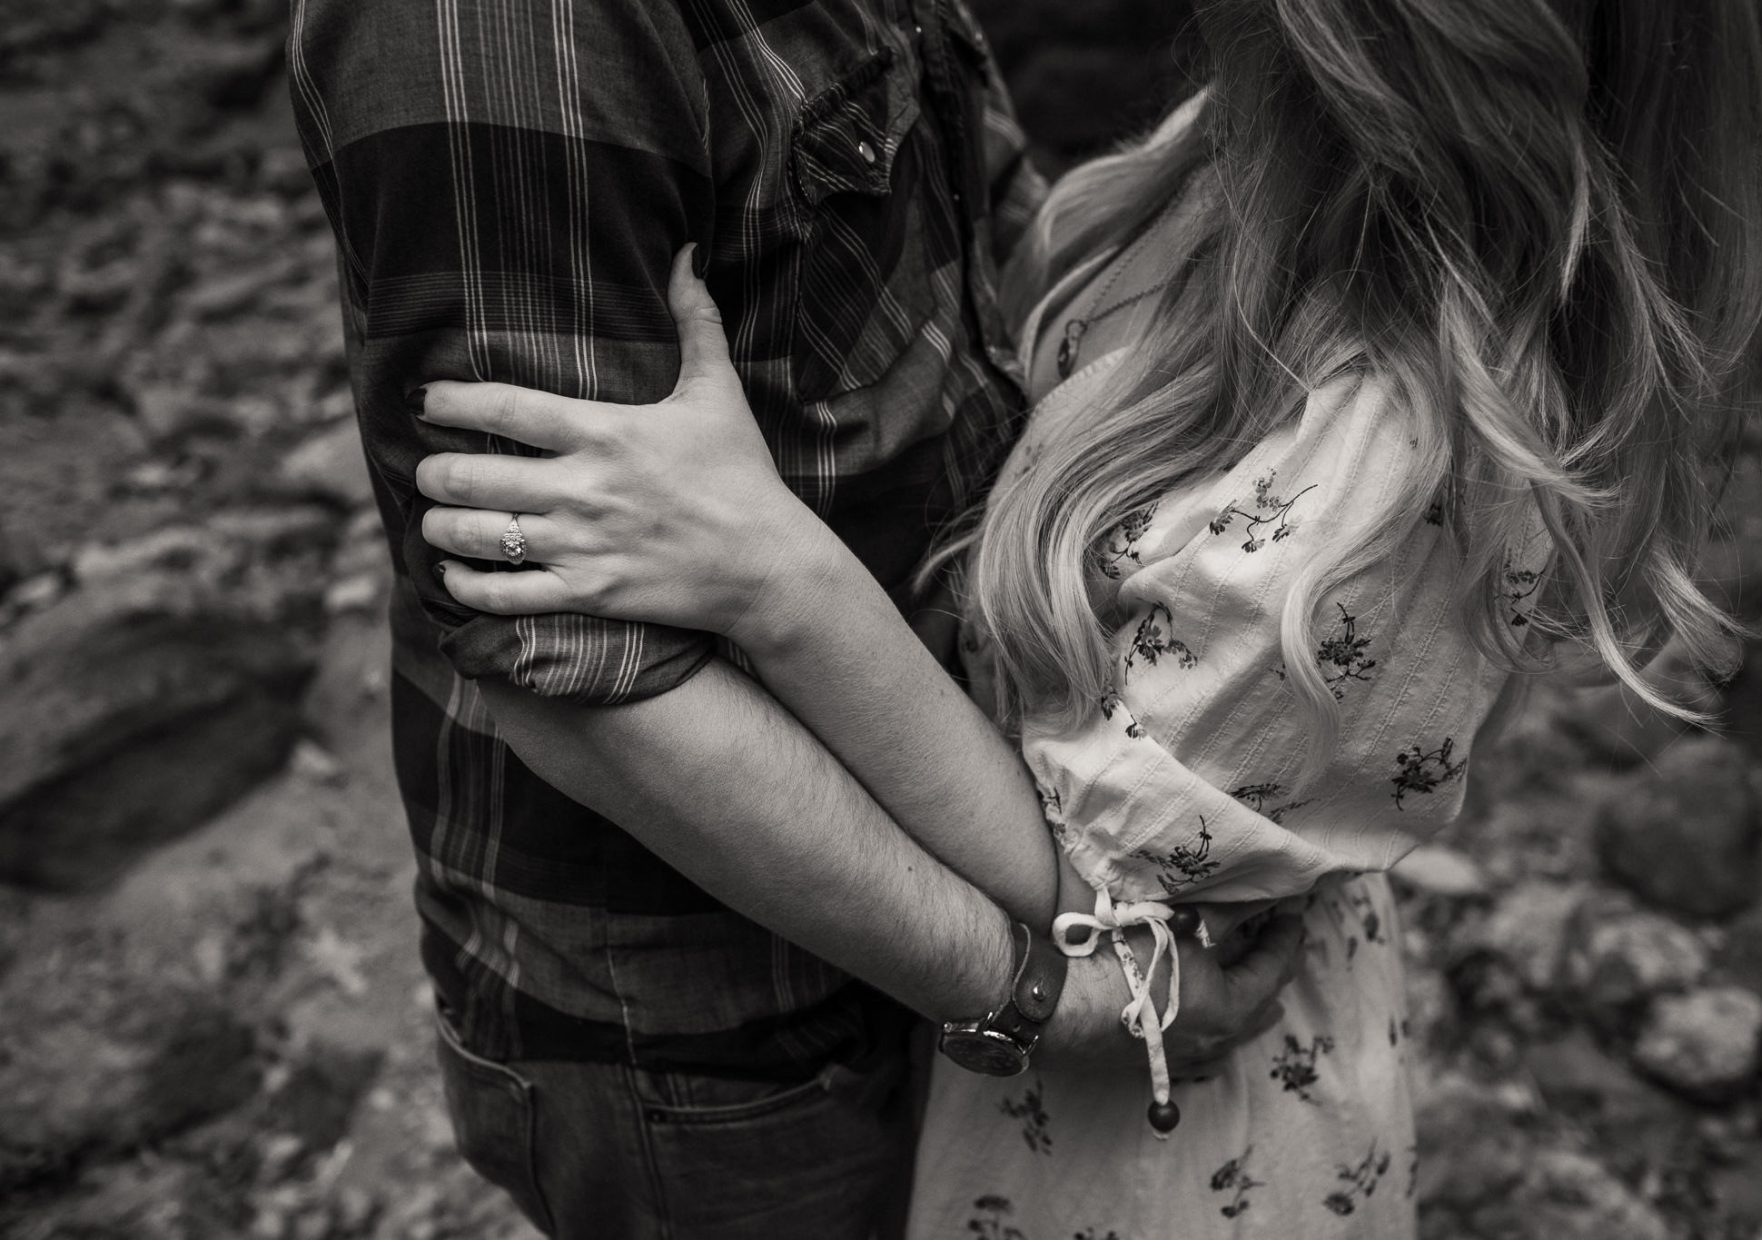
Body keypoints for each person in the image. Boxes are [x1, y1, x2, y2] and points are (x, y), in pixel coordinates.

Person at [412, 0, 1762, 1234]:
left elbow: (1093, 896)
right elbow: (1004, 290)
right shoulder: (1265, 145)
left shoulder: (1403, 452)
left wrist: (776, 576)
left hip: (1154, 1137)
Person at [286, 1, 1302, 1236]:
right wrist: (1042, 987)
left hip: (978, 849)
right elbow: (575, 671)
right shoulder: (512, 28)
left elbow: (979, 251)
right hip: (724, 1024)